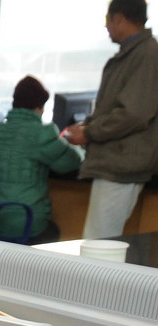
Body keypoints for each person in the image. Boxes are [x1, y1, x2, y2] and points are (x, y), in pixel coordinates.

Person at [64, 0, 158, 239]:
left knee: (97, 246)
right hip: (115, 162)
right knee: (99, 242)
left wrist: (89, 133)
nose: (106, 27)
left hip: (122, 164)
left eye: (108, 20)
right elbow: (116, 107)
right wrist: (88, 124)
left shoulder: (146, 55)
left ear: (119, 19)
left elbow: (133, 114)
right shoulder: (132, 55)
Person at [0, 76, 84, 243]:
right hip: (24, 222)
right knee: (54, 232)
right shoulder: (42, 133)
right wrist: (76, 142)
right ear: (39, 107)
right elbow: (71, 162)